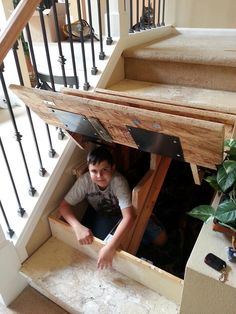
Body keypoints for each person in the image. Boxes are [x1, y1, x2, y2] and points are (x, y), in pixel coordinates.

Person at [59, 145, 167, 269]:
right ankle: (125, 237)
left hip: (126, 212)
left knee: (161, 240)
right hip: (105, 216)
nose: (99, 176)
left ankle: (150, 219)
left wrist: (110, 247)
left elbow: (129, 216)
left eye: (104, 170)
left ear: (113, 168)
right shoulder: (84, 181)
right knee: (99, 244)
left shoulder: (118, 182)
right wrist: (77, 227)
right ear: (89, 171)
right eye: (94, 171)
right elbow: (64, 206)